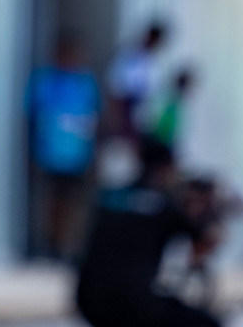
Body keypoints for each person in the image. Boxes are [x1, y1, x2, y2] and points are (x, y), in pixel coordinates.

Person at [76, 139, 223, 327]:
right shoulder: (163, 205)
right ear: (166, 168)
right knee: (209, 323)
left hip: (88, 302)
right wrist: (208, 208)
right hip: (137, 306)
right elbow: (208, 239)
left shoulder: (108, 196)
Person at [25, 33, 99, 260]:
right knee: (53, 201)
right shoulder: (44, 81)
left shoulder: (85, 82)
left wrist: (93, 152)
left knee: (73, 202)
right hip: (49, 153)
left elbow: (94, 119)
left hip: (77, 154)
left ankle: (67, 244)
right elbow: (30, 118)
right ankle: (51, 243)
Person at [148, 65, 198, 157]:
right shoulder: (168, 96)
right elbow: (157, 118)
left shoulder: (180, 102)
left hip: (167, 142)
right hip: (157, 139)